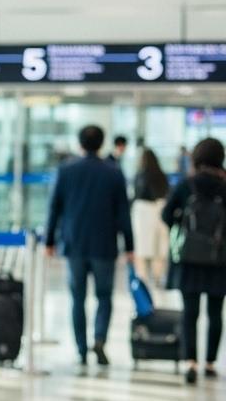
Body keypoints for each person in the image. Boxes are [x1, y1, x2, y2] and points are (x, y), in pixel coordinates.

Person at [44, 125, 134, 367]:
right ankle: (100, 338)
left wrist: (49, 240)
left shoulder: (65, 170)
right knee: (104, 296)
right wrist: (130, 246)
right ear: (102, 143)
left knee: (77, 298)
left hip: (74, 244)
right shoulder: (114, 172)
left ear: (80, 143)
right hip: (105, 244)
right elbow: (124, 212)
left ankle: (82, 350)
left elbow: (54, 208)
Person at [162, 137, 226, 384]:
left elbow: (167, 214)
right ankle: (210, 362)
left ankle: (190, 361)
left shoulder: (186, 184)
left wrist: (183, 227)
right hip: (220, 259)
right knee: (215, 312)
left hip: (188, 258)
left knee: (190, 312)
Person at [130, 147, 171, 286]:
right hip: (159, 210)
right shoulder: (162, 175)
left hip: (142, 212)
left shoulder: (139, 175)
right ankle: (158, 277)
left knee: (141, 247)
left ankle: (142, 278)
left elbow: (136, 195)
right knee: (158, 247)